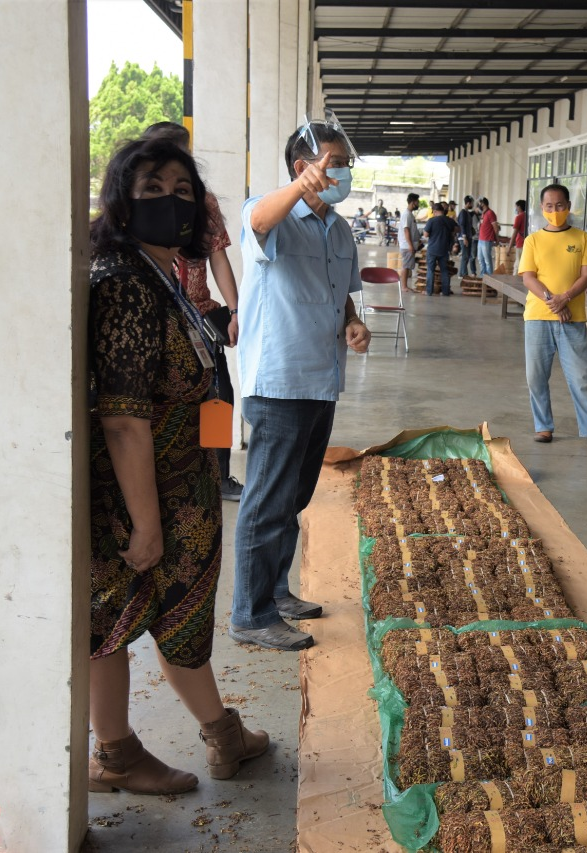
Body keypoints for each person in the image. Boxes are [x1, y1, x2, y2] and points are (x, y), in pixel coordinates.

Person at [87, 137, 269, 795]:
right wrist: (145, 522)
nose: (172, 202)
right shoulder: (126, 284)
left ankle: (223, 735)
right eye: (154, 189)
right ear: (122, 201)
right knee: (115, 622)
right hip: (147, 495)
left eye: (184, 191)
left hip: (183, 484)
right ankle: (119, 753)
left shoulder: (158, 272)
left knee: (175, 618)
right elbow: (123, 418)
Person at [230, 119, 372, 652]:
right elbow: (260, 221)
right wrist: (296, 189)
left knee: (294, 494)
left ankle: (275, 591)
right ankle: (250, 613)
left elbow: (340, 292)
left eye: (344, 165)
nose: (343, 174)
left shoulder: (338, 228)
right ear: (303, 167)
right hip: (280, 381)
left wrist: (351, 321)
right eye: (334, 163)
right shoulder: (267, 213)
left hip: (321, 379)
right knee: (266, 499)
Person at [141, 121, 243, 502]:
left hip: (200, 320)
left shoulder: (204, 202)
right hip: (156, 320)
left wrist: (234, 311)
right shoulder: (134, 204)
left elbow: (219, 257)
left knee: (218, 398)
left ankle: (218, 476)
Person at [519, 183, 587, 449]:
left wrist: (566, 298)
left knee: (583, 375)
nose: (555, 210)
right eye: (549, 206)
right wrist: (554, 300)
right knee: (536, 376)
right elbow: (529, 277)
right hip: (539, 317)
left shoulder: (582, 238)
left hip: (572, 318)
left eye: (560, 205)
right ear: (542, 209)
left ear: (568, 207)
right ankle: (543, 427)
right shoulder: (533, 240)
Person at [420, 202, 458, 296]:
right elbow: (458, 229)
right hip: (444, 250)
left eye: (433, 212)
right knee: (444, 271)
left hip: (432, 249)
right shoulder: (449, 220)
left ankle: (429, 291)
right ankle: (445, 292)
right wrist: (451, 233)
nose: (433, 214)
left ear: (436, 211)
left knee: (431, 270)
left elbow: (425, 235)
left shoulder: (432, 220)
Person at [398, 192, 421, 293]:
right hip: (407, 246)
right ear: (413, 202)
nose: (418, 204)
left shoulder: (410, 214)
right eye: (417, 202)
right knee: (406, 266)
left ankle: (405, 285)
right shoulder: (406, 214)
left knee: (408, 266)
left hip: (409, 245)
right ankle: (404, 286)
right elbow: (406, 230)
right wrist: (410, 245)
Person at [477, 197, 498, 276]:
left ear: (483, 203)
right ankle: (483, 276)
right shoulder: (483, 213)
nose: (478, 205)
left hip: (487, 240)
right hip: (481, 239)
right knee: (480, 259)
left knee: (487, 260)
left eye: (479, 203)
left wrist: (497, 240)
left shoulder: (490, 213)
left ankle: (489, 278)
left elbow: (495, 227)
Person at [458, 195, 478, 277]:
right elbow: (462, 225)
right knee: (465, 256)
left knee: (466, 256)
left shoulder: (466, 212)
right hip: (464, 238)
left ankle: (461, 273)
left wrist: (474, 212)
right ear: (468, 203)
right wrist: (464, 237)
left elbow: (471, 213)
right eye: (472, 203)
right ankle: (463, 274)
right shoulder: (463, 212)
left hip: (468, 237)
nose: (473, 205)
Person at [512, 199, 528, 272]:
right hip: (526, 243)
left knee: (518, 264)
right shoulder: (527, 216)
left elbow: (514, 233)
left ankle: (515, 280)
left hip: (520, 243)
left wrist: (509, 247)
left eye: (516, 207)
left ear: (519, 207)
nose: (515, 209)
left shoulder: (519, 217)